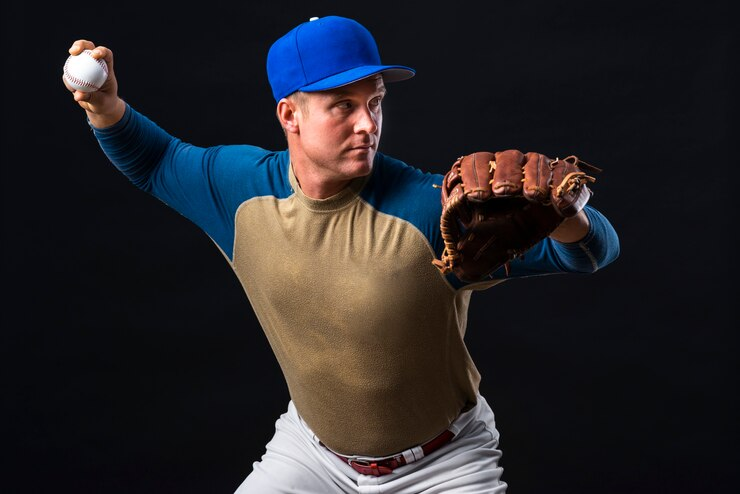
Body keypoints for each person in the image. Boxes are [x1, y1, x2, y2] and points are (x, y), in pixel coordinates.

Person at [63, 15, 620, 494]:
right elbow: (156, 161)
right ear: (290, 115)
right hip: (312, 456)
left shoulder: (427, 209)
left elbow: (590, 254)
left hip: (443, 465)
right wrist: (105, 104)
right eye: (342, 105)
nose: (367, 124)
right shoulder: (239, 192)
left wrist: (567, 213)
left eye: (375, 102)